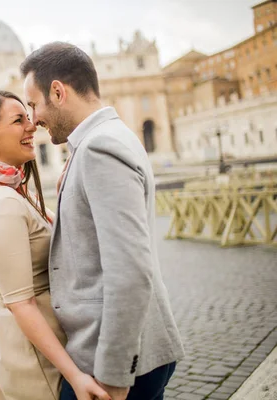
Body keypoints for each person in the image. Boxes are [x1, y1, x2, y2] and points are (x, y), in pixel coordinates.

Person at [21, 42, 185, 400]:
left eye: (33, 105)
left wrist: (113, 376)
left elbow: (129, 270)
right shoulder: (104, 139)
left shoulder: (99, 149)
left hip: (114, 363)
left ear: (58, 92)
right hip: (122, 353)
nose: (33, 119)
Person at [0, 90, 110, 400]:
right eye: (18, 120)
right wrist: (76, 377)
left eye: (28, 117)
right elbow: (21, 304)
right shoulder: (4, 203)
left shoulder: (12, 192)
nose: (32, 126)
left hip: (35, 344)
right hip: (34, 357)